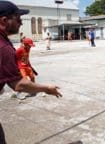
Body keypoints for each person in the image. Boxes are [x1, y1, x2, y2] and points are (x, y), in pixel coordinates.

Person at [0, 1, 62, 143]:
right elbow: (18, 84)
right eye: (18, 19)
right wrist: (46, 88)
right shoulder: (3, 47)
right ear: (4, 21)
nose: (21, 23)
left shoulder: (5, 42)